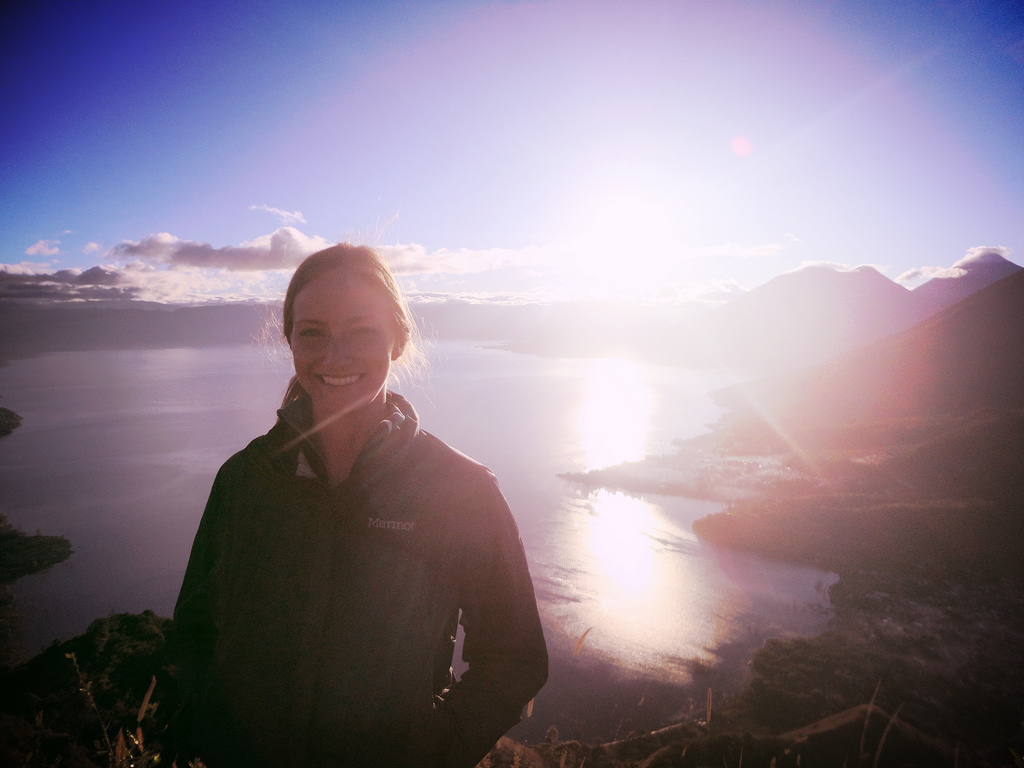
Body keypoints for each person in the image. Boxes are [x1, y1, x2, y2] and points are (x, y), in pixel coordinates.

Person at [171, 244, 548, 768]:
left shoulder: (461, 489)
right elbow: (192, 632)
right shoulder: (246, 479)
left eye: (361, 331)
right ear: (291, 342)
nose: (335, 354)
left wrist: (432, 748)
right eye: (313, 332)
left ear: (398, 341)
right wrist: (211, 726)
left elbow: (514, 657)